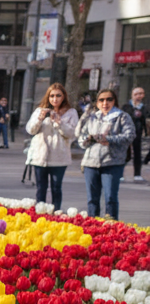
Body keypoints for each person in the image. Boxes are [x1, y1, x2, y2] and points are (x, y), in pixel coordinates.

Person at [78, 88, 135, 220]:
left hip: (112, 162)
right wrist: (86, 139)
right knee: (92, 199)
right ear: (97, 103)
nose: (105, 103)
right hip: (90, 163)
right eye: (101, 100)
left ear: (114, 101)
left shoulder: (121, 116)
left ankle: (112, 229)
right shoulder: (92, 117)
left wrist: (108, 139)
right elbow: (81, 136)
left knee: (110, 197)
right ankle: (92, 226)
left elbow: (130, 135)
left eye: (109, 99)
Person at [25, 84, 78, 212]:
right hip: (40, 156)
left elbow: (72, 134)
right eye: (52, 96)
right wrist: (40, 119)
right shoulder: (40, 110)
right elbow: (30, 130)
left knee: (56, 187)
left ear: (63, 96)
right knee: (40, 188)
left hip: (59, 156)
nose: (55, 99)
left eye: (58, 96)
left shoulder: (71, 113)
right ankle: (40, 213)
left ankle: (56, 212)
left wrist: (59, 122)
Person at [123, 88, 148, 184]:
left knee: (137, 153)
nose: (139, 96)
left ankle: (137, 174)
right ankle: (120, 174)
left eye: (141, 93)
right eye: (137, 94)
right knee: (125, 153)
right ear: (132, 95)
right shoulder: (126, 106)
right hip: (126, 133)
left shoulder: (145, 107)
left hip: (138, 133)